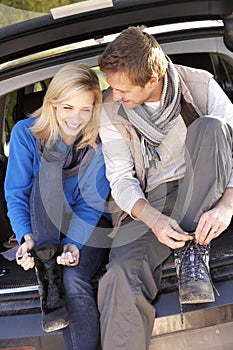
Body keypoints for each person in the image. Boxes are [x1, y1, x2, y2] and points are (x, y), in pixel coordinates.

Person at [97, 26, 233, 350]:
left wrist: (227, 205)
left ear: (152, 81)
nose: (114, 96)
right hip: (150, 203)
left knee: (212, 128)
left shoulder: (200, 85)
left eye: (122, 89)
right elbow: (121, 180)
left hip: (204, 186)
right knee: (120, 273)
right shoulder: (110, 109)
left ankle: (193, 251)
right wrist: (153, 220)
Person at [4, 63, 112, 350]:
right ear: (52, 104)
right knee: (48, 170)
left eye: (85, 110)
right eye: (67, 107)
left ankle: (48, 265)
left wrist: (74, 244)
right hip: (42, 228)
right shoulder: (25, 134)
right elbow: (16, 195)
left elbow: (92, 206)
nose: (76, 119)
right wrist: (27, 238)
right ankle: (44, 263)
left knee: (74, 278)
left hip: (87, 225)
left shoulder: (96, 141)